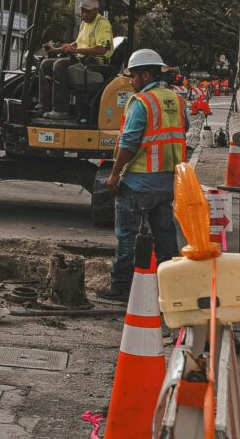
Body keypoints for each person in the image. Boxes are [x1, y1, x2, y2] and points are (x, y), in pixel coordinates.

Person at [101, 48, 188, 302]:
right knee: (165, 238)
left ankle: (119, 288)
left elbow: (129, 142)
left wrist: (115, 175)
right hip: (166, 183)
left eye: (134, 76)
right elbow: (181, 130)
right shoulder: (176, 99)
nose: (131, 81)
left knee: (127, 238)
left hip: (138, 183)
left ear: (146, 74)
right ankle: (169, 290)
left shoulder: (142, 102)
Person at [37, 0, 113, 119]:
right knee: (45, 64)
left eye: (87, 12)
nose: (83, 15)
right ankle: (44, 106)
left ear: (96, 11)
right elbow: (78, 42)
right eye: (82, 11)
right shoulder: (84, 23)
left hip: (95, 65)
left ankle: (61, 110)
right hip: (82, 60)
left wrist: (76, 50)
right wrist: (56, 49)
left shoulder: (102, 24)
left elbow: (102, 49)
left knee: (60, 65)